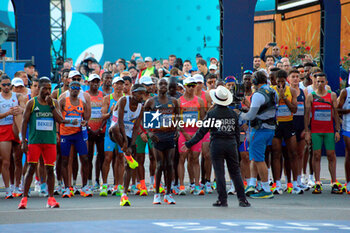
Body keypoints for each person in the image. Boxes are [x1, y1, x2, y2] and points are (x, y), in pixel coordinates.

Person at [182, 86, 250, 207]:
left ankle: (222, 199)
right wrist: (235, 145)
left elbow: (201, 132)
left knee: (219, 173)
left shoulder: (212, 114)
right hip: (231, 144)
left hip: (217, 144)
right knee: (235, 172)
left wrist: (188, 144)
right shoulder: (233, 114)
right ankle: (242, 199)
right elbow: (236, 132)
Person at [18, 77, 66, 209]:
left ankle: (50, 198)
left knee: (50, 169)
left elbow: (60, 120)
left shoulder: (54, 102)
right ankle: (24, 198)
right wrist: (23, 141)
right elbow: (24, 122)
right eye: (45, 88)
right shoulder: (32, 103)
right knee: (31, 168)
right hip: (35, 141)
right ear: (39, 88)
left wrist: (51, 105)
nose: (47, 91)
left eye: (50, 88)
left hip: (49, 141)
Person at [239, 71, 277, 199]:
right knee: (255, 157)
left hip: (259, 130)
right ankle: (252, 184)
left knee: (259, 160)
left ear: (255, 81)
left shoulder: (258, 95)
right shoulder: (272, 91)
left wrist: (240, 115)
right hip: (270, 129)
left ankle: (266, 189)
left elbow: (251, 115)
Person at [304, 73, 342, 194]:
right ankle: (317, 182)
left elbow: (336, 113)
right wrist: (307, 131)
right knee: (316, 155)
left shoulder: (332, 95)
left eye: (322, 81)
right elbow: (307, 115)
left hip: (329, 130)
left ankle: (334, 181)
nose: (320, 84)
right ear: (314, 82)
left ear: (326, 82)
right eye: (318, 81)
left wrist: (337, 130)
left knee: (331, 155)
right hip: (316, 131)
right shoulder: (311, 96)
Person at [109, 84, 146, 206]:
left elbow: (136, 127)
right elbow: (119, 123)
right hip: (116, 133)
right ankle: (126, 152)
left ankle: (124, 195)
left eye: (143, 93)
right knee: (114, 128)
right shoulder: (124, 100)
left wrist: (131, 145)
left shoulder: (141, 106)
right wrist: (125, 144)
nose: (142, 96)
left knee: (129, 166)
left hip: (129, 134)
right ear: (133, 93)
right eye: (140, 93)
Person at [144, 78, 179, 204]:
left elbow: (178, 118)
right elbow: (144, 120)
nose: (163, 86)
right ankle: (157, 194)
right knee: (160, 164)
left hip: (170, 135)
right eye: (161, 84)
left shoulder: (174, 101)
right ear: (156, 86)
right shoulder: (150, 102)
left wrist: (177, 131)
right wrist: (149, 133)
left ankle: (168, 193)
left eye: (165, 84)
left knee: (169, 164)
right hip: (157, 136)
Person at [271, 70, 301, 194]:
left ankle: (294, 184)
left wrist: (284, 97)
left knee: (293, 153)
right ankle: (277, 184)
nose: (281, 85)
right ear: (275, 81)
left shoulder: (292, 91)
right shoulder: (271, 91)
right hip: (276, 125)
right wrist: (278, 97)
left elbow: (294, 109)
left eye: (283, 82)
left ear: (286, 81)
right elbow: (270, 108)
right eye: (278, 82)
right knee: (276, 154)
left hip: (288, 124)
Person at [59, 81, 91, 198]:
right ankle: (67, 187)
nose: (75, 90)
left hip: (78, 134)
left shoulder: (82, 102)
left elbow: (86, 119)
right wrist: (68, 122)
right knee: (65, 160)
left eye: (77, 88)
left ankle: (85, 186)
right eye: (73, 87)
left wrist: (84, 122)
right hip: (65, 135)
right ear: (69, 89)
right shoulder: (63, 101)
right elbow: (57, 117)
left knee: (85, 158)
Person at [177, 77, 205, 195]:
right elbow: (177, 120)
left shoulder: (200, 101)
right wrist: (184, 133)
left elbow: (203, 119)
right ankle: (182, 185)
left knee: (195, 158)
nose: (192, 88)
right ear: (184, 86)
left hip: (196, 133)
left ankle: (197, 186)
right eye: (189, 85)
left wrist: (197, 134)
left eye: (193, 86)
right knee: (182, 158)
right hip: (184, 133)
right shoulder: (179, 101)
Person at [100, 76, 125, 196]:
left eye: (121, 84)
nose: (119, 86)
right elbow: (103, 116)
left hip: (122, 133)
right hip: (110, 133)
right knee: (108, 158)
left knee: (121, 158)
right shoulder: (107, 98)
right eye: (117, 84)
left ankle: (119, 186)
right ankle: (104, 185)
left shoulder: (126, 98)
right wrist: (111, 112)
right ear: (113, 85)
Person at [0, 75, 24, 199]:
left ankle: (17, 186)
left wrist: (20, 109)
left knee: (18, 159)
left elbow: (26, 105)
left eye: (8, 84)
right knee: (6, 161)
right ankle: (8, 188)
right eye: (4, 85)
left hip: (14, 126)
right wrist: (8, 113)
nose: (7, 87)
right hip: (3, 129)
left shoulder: (17, 96)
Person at [86, 74, 105, 190]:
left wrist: (100, 128)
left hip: (100, 130)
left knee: (100, 156)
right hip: (88, 131)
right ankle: (89, 181)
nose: (95, 84)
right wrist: (89, 128)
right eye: (93, 81)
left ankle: (98, 180)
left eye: (97, 82)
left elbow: (105, 114)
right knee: (88, 156)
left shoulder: (103, 95)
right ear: (88, 83)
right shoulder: (85, 95)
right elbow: (83, 113)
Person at [337, 86, 350, 194]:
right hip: (348, 128)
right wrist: (347, 111)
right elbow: (337, 109)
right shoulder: (345, 92)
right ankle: (348, 182)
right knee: (349, 153)